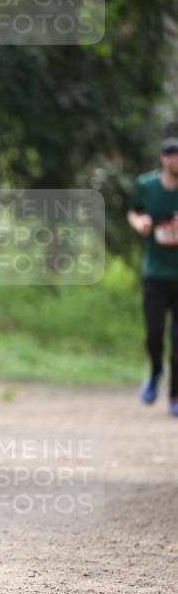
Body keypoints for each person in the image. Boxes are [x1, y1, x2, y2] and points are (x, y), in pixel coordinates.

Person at [127, 136, 178, 416]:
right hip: (156, 273)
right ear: (164, 158)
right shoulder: (146, 186)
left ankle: (175, 396)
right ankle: (156, 371)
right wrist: (140, 223)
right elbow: (133, 212)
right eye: (174, 156)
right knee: (154, 334)